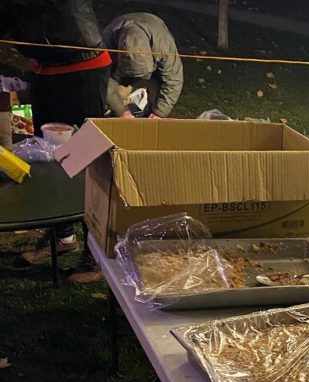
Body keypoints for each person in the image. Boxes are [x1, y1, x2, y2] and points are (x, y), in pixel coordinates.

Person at [0, 0, 110, 282]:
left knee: (84, 160)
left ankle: (96, 254)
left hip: (80, 68)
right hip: (46, 67)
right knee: (47, 156)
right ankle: (61, 237)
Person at [103, 13, 183, 119]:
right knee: (114, 98)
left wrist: (159, 113)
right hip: (119, 67)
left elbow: (173, 80)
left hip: (155, 35)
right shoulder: (107, 42)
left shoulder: (163, 47)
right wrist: (121, 111)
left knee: (157, 98)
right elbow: (103, 79)